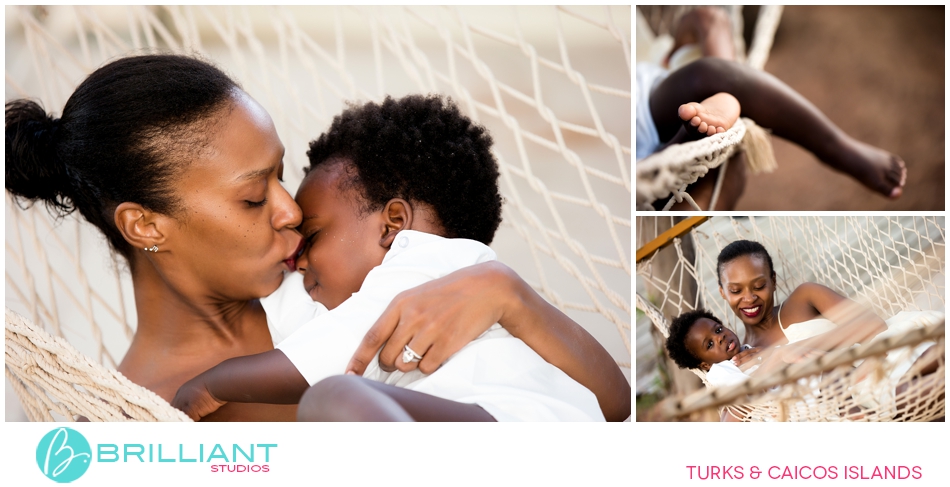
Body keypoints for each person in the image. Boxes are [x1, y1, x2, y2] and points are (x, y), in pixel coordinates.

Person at [5, 54, 631, 421]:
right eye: (254, 195)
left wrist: (506, 292)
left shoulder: (331, 291)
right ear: (145, 224)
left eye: (282, 177)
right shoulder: (130, 420)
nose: (288, 211)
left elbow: (612, 405)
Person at [171, 95, 607, 421]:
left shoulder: (431, 261)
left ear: (392, 224)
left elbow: (316, 362)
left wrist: (212, 383)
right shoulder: (342, 303)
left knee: (335, 399)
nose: (299, 261)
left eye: (313, 237)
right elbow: (289, 308)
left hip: (517, 422)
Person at [637, 7, 906, 210]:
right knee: (708, 75)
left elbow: (698, 19)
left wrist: (675, 48)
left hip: (652, 94)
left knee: (711, 21)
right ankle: (711, 112)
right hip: (642, 149)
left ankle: (719, 100)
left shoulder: (657, 61)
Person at [712, 239, 943, 420]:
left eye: (759, 286)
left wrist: (788, 350)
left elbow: (871, 325)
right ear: (722, 292)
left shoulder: (804, 297)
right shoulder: (740, 363)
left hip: (883, 353)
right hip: (856, 398)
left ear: (773, 280)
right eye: (735, 291)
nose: (749, 298)